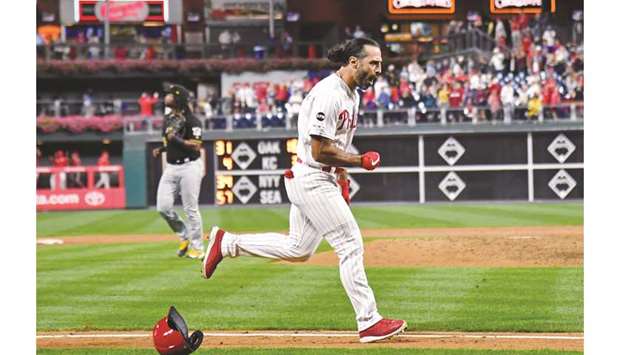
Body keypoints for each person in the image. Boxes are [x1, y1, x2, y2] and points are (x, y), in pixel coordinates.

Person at [201, 38, 407, 343]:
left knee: (299, 249)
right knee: (350, 245)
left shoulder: (352, 94)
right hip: (312, 177)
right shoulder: (329, 94)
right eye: (373, 63)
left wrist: (343, 177)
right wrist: (359, 160)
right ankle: (368, 321)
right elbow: (321, 149)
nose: (378, 69)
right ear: (353, 62)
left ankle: (227, 243)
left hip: (316, 177)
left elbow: (336, 145)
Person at [152, 84, 205, 259]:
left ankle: (197, 248)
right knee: (163, 207)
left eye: (170, 94)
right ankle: (184, 236)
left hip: (190, 166)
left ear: (178, 98)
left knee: (191, 208)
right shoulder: (168, 119)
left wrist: (176, 139)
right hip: (172, 167)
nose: (166, 96)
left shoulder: (192, 120)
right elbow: (169, 142)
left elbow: (197, 145)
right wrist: (162, 148)